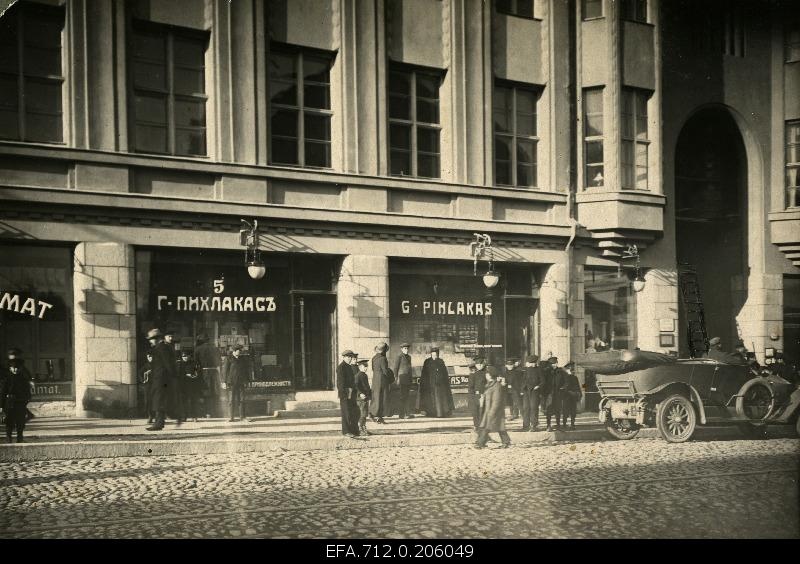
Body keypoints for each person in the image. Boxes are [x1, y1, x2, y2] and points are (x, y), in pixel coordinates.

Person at [474, 367, 511, 449]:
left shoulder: (497, 386)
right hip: (488, 410)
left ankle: (480, 443)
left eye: (487, 374)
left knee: (488, 427)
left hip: (494, 411)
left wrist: (492, 412)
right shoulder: (490, 384)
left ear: (490, 375)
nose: (486, 375)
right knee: (498, 427)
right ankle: (506, 441)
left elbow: (497, 400)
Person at [145, 328, 172, 431]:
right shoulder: (160, 347)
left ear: (156, 338)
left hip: (161, 378)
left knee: (159, 400)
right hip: (158, 378)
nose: (150, 341)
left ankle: (158, 423)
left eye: (151, 339)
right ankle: (159, 422)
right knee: (157, 400)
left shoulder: (162, 348)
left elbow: (167, 364)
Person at [2, 359, 32, 443]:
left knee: (20, 422)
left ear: (19, 369)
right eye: (13, 368)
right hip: (9, 403)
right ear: (10, 368)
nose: (15, 370)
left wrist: (25, 401)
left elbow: (27, 392)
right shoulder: (7, 378)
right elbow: (3, 393)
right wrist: (1, 406)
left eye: (17, 368)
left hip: (20, 402)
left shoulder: (23, 378)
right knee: (9, 421)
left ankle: (20, 437)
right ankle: (8, 437)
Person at [420, 346, 454, 418]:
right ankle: (430, 413)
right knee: (430, 398)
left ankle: (440, 413)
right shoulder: (427, 361)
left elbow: (444, 373)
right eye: (433, 354)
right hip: (429, 384)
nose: (434, 355)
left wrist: (443, 381)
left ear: (437, 354)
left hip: (439, 384)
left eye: (436, 354)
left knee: (439, 399)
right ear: (431, 354)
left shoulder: (440, 361)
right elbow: (424, 373)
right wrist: (424, 383)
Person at [221, 345, 251, 422]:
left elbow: (246, 371)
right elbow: (224, 371)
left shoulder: (242, 359)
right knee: (231, 400)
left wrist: (248, 381)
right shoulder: (228, 359)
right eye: (238, 351)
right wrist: (224, 382)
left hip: (241, 382)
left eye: (240, 351)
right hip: (231, 383)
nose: (240, 352)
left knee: (241, 400)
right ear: (234, 351)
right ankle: (231, 417)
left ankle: (242, 417)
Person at [194, 333, 221, 418]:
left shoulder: (198, 349)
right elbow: (219, 362)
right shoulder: (215, 349)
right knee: (215, 392)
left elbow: (196, 363)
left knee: (206, 393)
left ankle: (207, 412)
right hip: (215, 372)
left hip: (204, 373)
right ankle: (215, 412)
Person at [6, 348, 35, 421]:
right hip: (15, 391)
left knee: (17, 404)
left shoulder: (22, 369)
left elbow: (28, 379)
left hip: (21, 391)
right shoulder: (9, 368)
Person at [370, 343, 394, 424]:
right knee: (382, 399)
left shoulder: (374, 358)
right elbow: (385, 371)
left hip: (375, 381)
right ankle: (378, 416)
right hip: (382, 381)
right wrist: (390, 376)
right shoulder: (383, 358)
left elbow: (373, 369)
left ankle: (374, 415)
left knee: (376, 398)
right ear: (383, 351)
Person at [336, 350, 358, 437]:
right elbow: (340, 383)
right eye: (348, 357)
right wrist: (343, 394)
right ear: (344, 357)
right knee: (346, 412)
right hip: (345, 393)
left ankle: (352, 430)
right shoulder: (341, 367)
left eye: (350, 357)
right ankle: (346, 431)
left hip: (351, 392)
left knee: (352, 412)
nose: (349, 359)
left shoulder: (349, 367)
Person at [164, 328, 183, 423]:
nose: (171, 338)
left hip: (172, 375)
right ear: (165, 337)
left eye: (172, 336)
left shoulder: (173, 346)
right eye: (169, 336)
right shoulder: (164, 346)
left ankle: (173, 415)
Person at [178, 351, 202, 422]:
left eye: (186, 356)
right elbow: (178, 375)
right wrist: (186, 375)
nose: (185, 358)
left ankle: (194, 416)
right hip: (183, 385)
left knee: (193, 401)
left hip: (192, 385)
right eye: (183, 357)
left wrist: (195, 375)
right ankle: (184, 416)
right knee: (183, 401)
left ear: (189, 356)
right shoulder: (180, 364)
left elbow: (198, 372)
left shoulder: (193, 363)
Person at [521, 354, 542, 431]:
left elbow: (543, 381)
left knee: (534, 407)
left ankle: (534, 425)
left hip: (534, 391)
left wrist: (538, 386)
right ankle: (525, 425)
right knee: (526, 408)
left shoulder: (539, 370)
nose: (532, 364)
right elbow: (523, 380)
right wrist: (522, 389)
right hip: (526, 391)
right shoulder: (526, 370)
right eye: (531, 363)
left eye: (534, 362)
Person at [393, 343, 414, 419]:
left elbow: (409, 368)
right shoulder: (399, 357)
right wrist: (396, 378)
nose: (406, 350)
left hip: (408, 379)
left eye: (407, 348)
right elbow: (395, 368)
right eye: (405, 348)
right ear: (401, 349)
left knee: (407, 396)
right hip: (402, 379)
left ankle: (408, 413)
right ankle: (402, 414)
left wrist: (411, 378)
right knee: (402, 396)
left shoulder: (409, 357)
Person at [543, 356, 564, 431]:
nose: (554, 365)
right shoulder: (546, 372)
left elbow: (566, 381)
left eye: (555, 363)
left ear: (557, 363)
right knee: (549, 409)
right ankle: (548, 425)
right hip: (549, 394)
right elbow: (543, 382)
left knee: (557, 409)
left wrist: (563, 388)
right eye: (552, 364)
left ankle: (558, 425)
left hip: (558, 393)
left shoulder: (561, 371)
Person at [560, 361, 582, 430]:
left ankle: (572, 425)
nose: (572, 370)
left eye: (572, 369)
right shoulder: (563, 377)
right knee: (565, 411)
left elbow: (578, 387)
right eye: (570, 369)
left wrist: (579, 394)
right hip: (566, 396)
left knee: (573, 411)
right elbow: (562, 387)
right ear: (566, 369)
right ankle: (564, 425)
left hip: (573, 396)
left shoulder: (575, 378)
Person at [467, 356, 487, 431]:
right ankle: (476, 425)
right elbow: (470, 387)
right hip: (475, 396)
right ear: (475, 365)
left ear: (484, 365)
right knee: (475, 412)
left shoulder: (486, 374)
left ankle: (482, 426)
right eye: (478, 365)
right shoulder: (473, 375)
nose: (480, 366)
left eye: (481, 364)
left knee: (483, 411)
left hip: (484, 395)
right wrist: (474, 394)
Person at [354, 357, 373, 436]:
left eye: (366, 366)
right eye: (364, 366)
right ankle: (360, 429)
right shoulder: (358, 375)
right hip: (361, 398)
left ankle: (364, 428)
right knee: (362, 414)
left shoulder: (364, 375)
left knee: (364, 414)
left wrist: (369, 395)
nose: (366, 368)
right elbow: (355, 386)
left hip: (365, 398)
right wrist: (360, 393)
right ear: (359, 367)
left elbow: (367, 386)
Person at [140, 352, 154, 423]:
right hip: (148, 386)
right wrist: (143, 380)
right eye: (148, 357)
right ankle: (150, 416)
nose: (150, 358)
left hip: (156, 385)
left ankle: (159, 416)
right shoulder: (146, 365)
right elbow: (140, 373)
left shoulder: (157, 365)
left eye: (151, 356)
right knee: (148, 401)